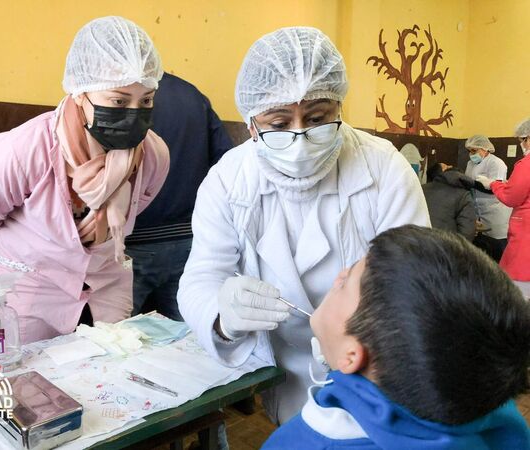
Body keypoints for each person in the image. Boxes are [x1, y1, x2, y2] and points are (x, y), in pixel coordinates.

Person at [177, 27, 430, 425]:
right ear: (251, 122)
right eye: (278, 123)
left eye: (317, 118)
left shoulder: (384, 170)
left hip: (377, 368)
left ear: (339, 108)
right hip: (285, 368)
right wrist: (222, 318)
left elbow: (416, 280)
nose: (300, 137)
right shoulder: (228, 180)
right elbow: (201, 277)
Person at [0, 16, 170, 344]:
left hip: (106, 284)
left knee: (109, 376)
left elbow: (138, 203)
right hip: (26, 289)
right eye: (118, 101)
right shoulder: (28, 147)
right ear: (80, 94)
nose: (134, 113)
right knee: (23, 385)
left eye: (145, 100)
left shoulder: (153, 154)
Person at [262, 225, 530, 450]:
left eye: (346, 283)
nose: (340, 275)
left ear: (352, 355)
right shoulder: (499, 418)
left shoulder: (305, 442)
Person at [124, 73, 233, 321]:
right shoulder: (191, 95)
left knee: (118, 340)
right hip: (189, 241)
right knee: (192, 334)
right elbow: (224, 161)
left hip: (131, 243)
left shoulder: (114, 96)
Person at [476, 118, 530, 299]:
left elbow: (511, 197)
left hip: (525, 240)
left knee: (516, 298)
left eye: (523, 140)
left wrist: (494, 184)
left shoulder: (526, 165)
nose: (522, 144)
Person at [464, 134, 511, 261]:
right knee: (484, 250)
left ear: (485, 149)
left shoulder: (496, 163)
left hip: (495, 211)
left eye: (474, 150)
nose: (471, 154)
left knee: (498, 248)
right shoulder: (470, 164)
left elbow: (495, 189)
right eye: (469, 151)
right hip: (478, 211)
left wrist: (472, 183)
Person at [422, 162, 475, 241]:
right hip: (444, 246)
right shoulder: (464, 195)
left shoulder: (422, 188)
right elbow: (467, 232)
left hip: (416, 242)